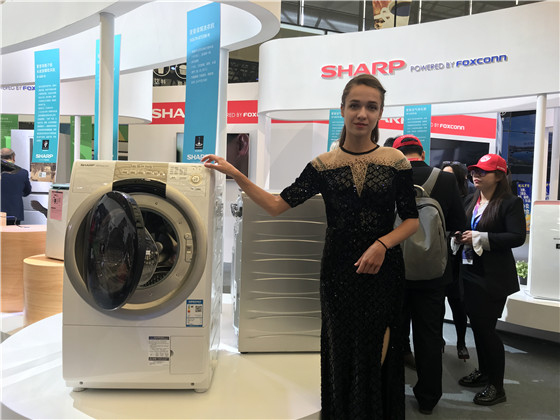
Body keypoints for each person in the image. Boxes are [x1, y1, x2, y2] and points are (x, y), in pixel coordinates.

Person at [203, 74, 419, 419]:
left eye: (371, 107)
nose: (362, 114)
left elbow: (411, 220)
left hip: (383, 270)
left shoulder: (396, 162)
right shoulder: (323, 165)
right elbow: (276, 205)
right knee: (340, 345)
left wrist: (382, 244)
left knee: (379, 347)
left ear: (380, 113)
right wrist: (236, 173)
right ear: (342, 109)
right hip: (338, 272)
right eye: (355, 105)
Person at [393, 135, 466, 415]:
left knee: (392, 331)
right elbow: (458, 224)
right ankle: (428, 398)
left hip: (394, 270)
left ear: (396, 155)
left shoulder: (388, 178)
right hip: (434, 273)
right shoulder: (445, 180)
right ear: (422, 153)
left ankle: (391, 393)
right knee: (430, 336)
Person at [453, 154, 525, 406]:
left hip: (493, 277)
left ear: (499, 176)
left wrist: (479, 237)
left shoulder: (510, 202)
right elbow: (462, 227)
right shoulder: (471, 199)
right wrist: (459, 236)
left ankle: (497, 386)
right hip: (469, 272)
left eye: (483, 171)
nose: (476, 175)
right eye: (475, 170)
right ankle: (484, 373)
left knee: (486, 330)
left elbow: (516, 237)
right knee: (478, 328)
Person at [440, 161, 471, 361]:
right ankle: (440, 341)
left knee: (458, 304)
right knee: (438, 303)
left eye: (449, 175)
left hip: (460, 259)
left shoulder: (470, 199)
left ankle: (461, 343)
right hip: (439, 256)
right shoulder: (439, 197)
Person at [1, 148, 31, 224]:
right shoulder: (23, 173)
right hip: (14, 214)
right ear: (13, 157)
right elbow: (27, 191)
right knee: (13, 232)